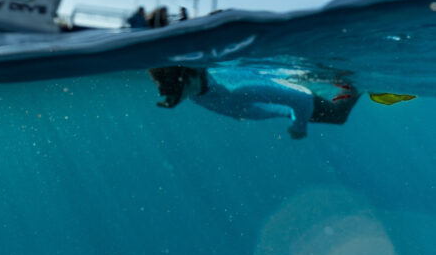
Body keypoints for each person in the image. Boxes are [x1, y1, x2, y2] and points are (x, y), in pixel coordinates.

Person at [148, 66, 361, 140]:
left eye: (176, 90)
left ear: (193, 75)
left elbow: (302, 98)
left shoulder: (238, 90)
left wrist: (299, 127)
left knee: (338, 116)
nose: (174, 96)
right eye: (167, 92)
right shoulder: (191, 90)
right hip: (275, 97)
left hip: (294, 100)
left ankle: (358, 85)